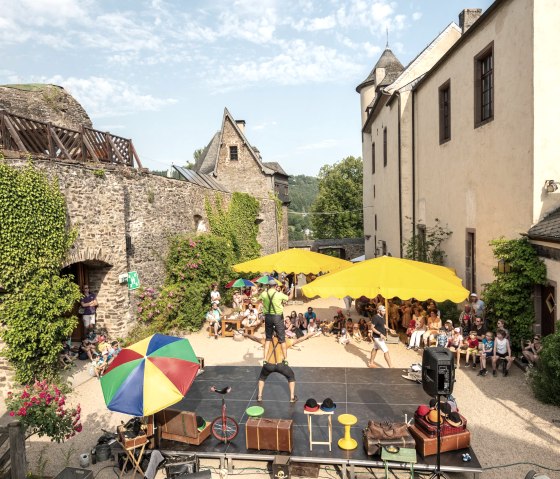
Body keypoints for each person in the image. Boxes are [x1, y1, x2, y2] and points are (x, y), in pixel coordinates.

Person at [243, 332, 318, 402]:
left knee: (262, 378)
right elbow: (299, 340)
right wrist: (308, 335)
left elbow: (255, 338)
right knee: (291, 377)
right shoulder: (285, 341)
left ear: (272, 335)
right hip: (280, 365)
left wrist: (247, 335)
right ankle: (292, 397)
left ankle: (259, 396)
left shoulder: (267, 341)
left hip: (268, 365)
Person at [259, 283, 289, 364]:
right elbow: (288, 298)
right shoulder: (279, 294)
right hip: (278, 317)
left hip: (268, 317)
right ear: (276, 286)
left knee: (268, 338)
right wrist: (292, 290)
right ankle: (285, 359)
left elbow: (259, 300)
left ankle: (265, 359)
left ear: (268, 286)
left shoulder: (264, 294)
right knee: (282, 339)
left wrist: (265, 305)